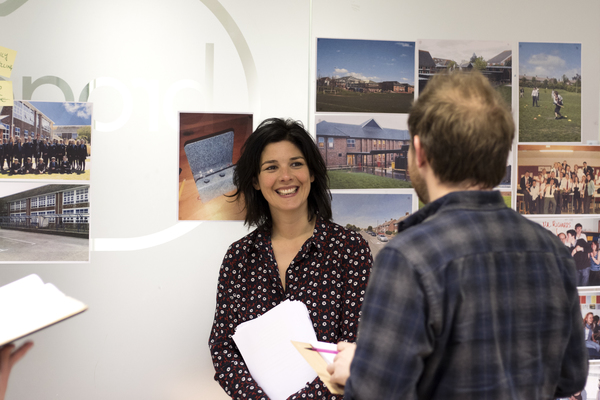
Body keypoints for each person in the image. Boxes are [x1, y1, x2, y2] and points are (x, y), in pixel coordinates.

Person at [327, 72, 587, 399]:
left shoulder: (408, 257)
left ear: (419, 152)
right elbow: (571, 376)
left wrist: (360, 371)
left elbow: (375, 394)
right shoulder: (553, 251)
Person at [208, 118, 372, 400]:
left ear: (311, 173)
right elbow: (223, 348)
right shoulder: (238, 259)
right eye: (271, 167)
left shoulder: (349, 250)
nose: (286, 176)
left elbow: (359, 348)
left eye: (296, 164)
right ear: (256, 181)